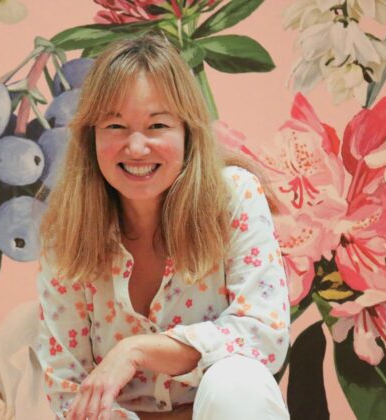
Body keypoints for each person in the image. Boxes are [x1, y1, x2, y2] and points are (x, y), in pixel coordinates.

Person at [35, 31, 290, 420]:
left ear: (188, 131)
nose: (136, 148)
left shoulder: (233, 196)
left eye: (157, 126)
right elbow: (69, 390)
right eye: (115, 126)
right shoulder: (67, 230)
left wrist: (136, 350)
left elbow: (263, 336)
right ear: (91, 137)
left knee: (237, 381)